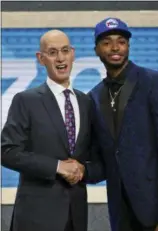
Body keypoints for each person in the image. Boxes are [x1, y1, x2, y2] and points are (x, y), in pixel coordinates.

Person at [85, 17, 158, 231]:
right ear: (96, 50)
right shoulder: (93, 96)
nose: (115, 47)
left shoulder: (155, 82)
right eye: (107, 42)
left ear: (128, 46)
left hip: (156, 214)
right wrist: (72, 170)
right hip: (120, 214)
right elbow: (105, 160)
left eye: (121, 41)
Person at [1, 29, 91, 231]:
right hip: (36, 219)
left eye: (65, 50)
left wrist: (84, 169)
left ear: (73, 54)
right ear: (41, 59)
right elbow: (7, 151)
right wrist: (57, 166)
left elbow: (95, 157)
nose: (60, 58)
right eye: (52, 52)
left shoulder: (86, 103)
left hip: (76, 217)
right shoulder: (26, 101)